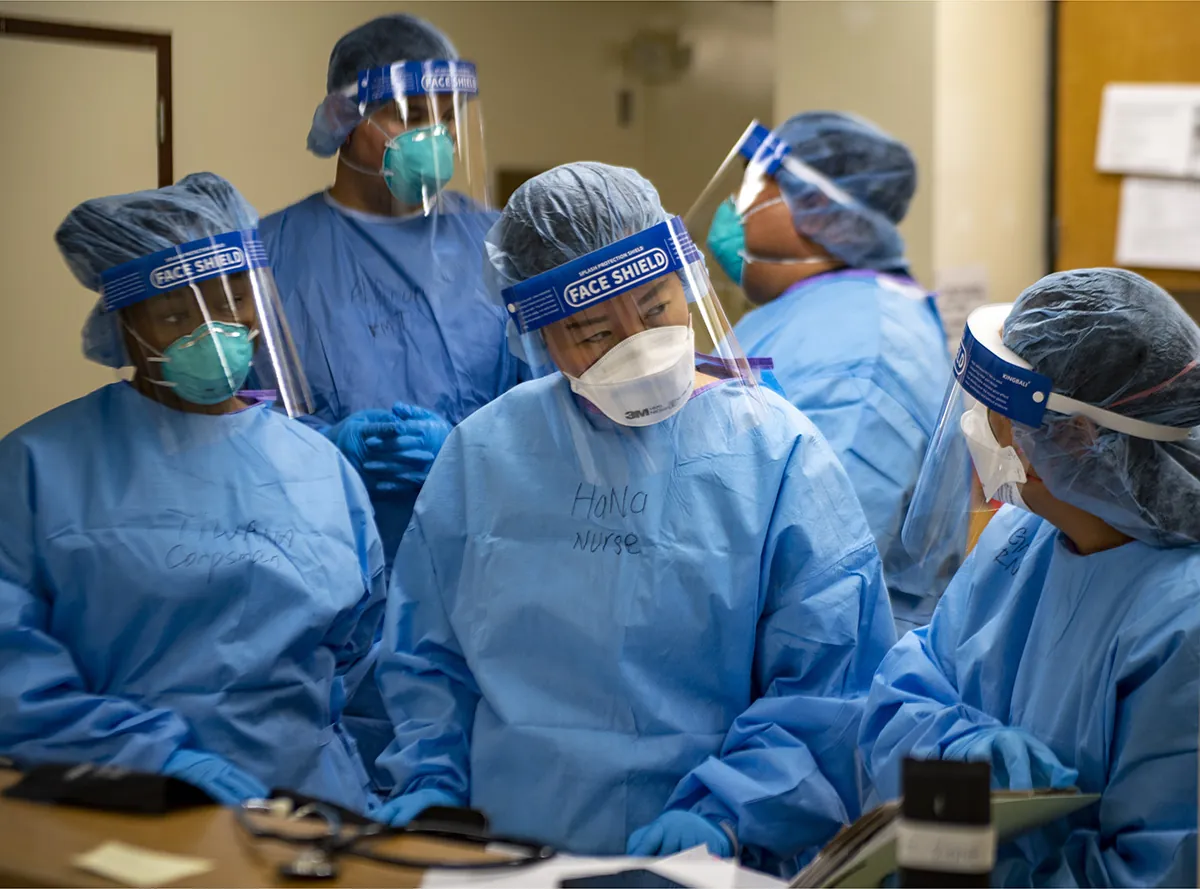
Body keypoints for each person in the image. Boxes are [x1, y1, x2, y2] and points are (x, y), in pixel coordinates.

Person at [371, 161, 896, 875]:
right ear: (540, 339)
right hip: (505, 851)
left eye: (654, 310)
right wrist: (432, 783)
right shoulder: (486, 452)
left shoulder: (775, 453)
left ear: (688, 283)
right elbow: (428, 660)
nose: (637, 347)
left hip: (704, 859)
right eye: (591, 331)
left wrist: (726, 809)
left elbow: (828, 685)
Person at [0, 173, 385, 815]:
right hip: (126, 809)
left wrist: (381, 793)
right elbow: (12, 672)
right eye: (179, 313)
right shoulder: (38, 468)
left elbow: (367, 658)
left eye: (234, 300)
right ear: (124, 324)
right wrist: (151, 759)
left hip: (314, 810)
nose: (218, 331)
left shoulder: (317, 465)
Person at [858, 268, 1200, 887]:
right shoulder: (1019, 536)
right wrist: (958, 754)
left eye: (992, 413)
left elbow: (1157, 868)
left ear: (1072, 441)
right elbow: (903, 691)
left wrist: (990, 867)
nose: (977, 428)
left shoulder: (1182, 625)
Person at [260, 13, 518, 790]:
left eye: (448, 118)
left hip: (484, 575)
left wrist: (471, 449)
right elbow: (225, 424)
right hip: (324, 582)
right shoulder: (269, 254)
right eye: (411, 117)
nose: (434, 138)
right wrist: (325, 444)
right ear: (346, 115)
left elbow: (551, 402)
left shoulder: (500, 247)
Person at [704, 113, 951, 635]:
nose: (736, 205)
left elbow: (822, 566)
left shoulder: (866, 350)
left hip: (815, 670)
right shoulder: (806, 310)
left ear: (817, 206)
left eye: (758, 184)